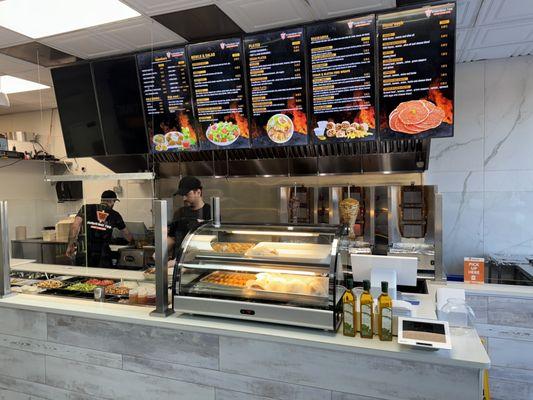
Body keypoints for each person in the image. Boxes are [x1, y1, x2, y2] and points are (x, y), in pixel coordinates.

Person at [66, 190, 134, 267]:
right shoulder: (115, 215)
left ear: (102, 200)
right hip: (102, 255)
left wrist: (70, 245)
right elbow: (126, 233)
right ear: (112, 201)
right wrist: (133, 242)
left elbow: (74, 227)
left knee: (82, 278)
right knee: (102, 278)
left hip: (84, 252)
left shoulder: (85, 208)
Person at [168, 176, 211, 257]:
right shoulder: (179, 213)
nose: (184, 198)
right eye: (182, 195)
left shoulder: (209, 212)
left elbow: (208, 244)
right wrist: (160, 252)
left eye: (187, 194)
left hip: (198, 262)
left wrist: (178, 261)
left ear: (198, 192)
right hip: (178, 264)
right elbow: (171, 238)